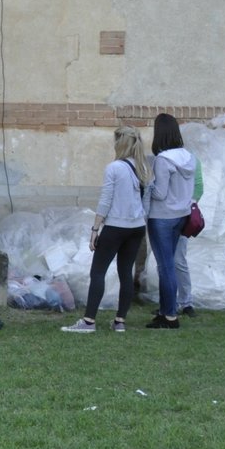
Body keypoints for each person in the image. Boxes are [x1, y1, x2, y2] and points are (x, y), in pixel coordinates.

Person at [62, 126, 151, 333]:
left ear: (119, 143)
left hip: (115, 226)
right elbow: (146, 200)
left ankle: (89, 321)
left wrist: (95, 228)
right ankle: (120, 321)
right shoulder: (144, 167)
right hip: (137, 227)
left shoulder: (114, 168)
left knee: (98, 271)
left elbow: (105, 200)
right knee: (126, 273)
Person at [145, 112, 196, 330]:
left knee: (165, 266)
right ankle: (166, 310)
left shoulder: (163, 160)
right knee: (170, 264)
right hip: (181, 215)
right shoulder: (189, 157)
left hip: (162, 217)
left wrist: (147, 184)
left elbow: (160, 193)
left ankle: (170, 316)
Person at [174, 151, 204, 316]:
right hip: (165, 216)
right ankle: (169, 302)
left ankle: (185, 302)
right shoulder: (162, 159)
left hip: (181, 217)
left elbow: (199, 187)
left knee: (179, 260)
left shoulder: (192, 159)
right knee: (164, 262)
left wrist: (190, 206)